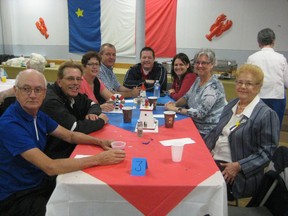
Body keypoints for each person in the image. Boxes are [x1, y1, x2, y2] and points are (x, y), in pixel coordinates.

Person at [0, 69, 125, 216]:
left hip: (38, 182)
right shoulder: (9, 125)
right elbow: (50, 166)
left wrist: (100, 141)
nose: (33, 95)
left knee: (86, 196)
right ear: (16, 91)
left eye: (38, 90)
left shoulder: (37, 114)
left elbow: (70, 136)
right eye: (26, 89)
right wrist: (99, 159)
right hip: (16, 196)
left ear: (44, 92)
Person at [204, 64, 279, 200]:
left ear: (258, 87)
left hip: (236, 173)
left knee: (196, 188)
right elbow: (216, 131)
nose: (243, 87)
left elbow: (267, 152)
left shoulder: (266, 114)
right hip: (213, 160)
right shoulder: (232, 104)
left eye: (249, 83)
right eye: (240, 82)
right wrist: (205, 149)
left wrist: (239, 166)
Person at [41, 61, 109, 159]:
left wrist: (92, 113)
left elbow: (93, 104)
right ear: (59, 81)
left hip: (72, 147)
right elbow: (75, 129)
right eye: (70, 79)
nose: (75, 83)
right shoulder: (51, 101)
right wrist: (101, 120)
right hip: (57, 156)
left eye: (78, 79)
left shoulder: (72, 93)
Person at [165, 48, 226, 137]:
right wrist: (175, 104)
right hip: (192, 124)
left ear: (212, 64)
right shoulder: (198, 80)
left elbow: (199, 114)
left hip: (206, 133)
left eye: (204, 63)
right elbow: (186, 96)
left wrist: (175, 109)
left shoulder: (213, 86)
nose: (200, 66)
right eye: (197, 62)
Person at [247, 28, 288, 127]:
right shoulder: (281, 58)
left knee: (255, 127)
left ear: (258, 42)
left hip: (257, 98)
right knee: (274, 127)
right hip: (276, 98)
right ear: (273, 41)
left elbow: (247, 81)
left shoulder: (252, 58)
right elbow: (287, 82)